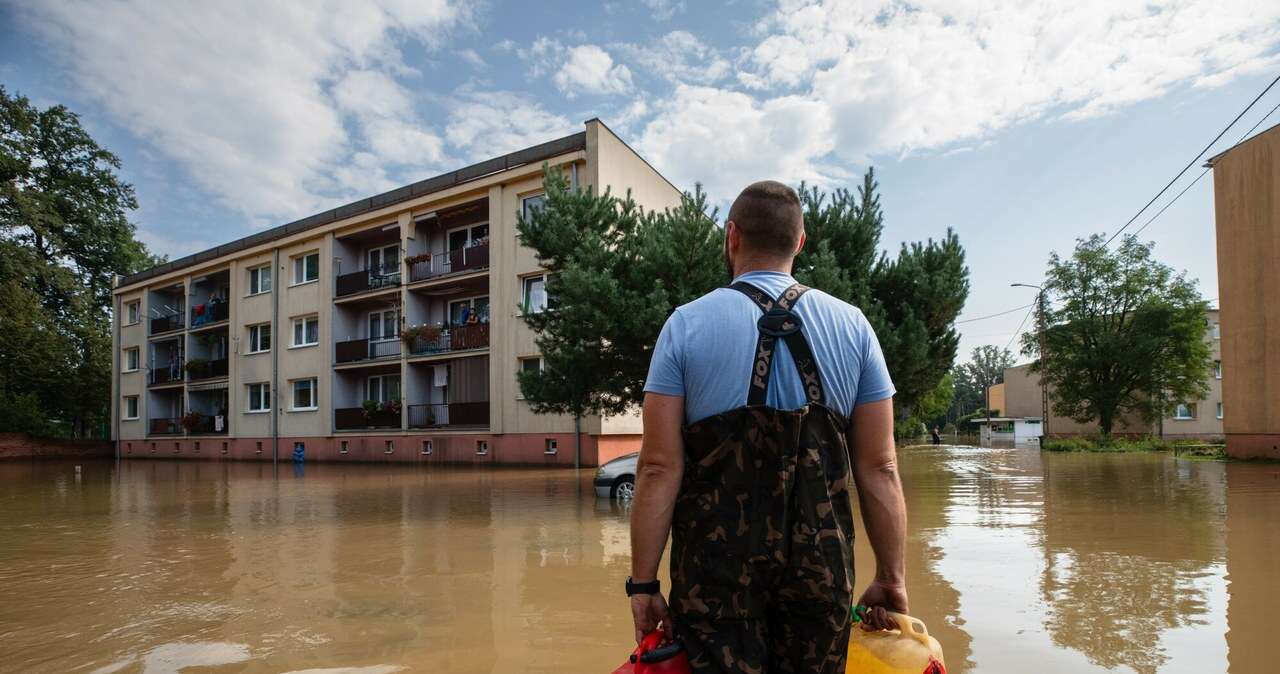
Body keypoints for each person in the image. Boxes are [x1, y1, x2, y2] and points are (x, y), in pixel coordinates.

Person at [627, 181, 909, 673]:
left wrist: (644, 584)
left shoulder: (684, 326)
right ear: (800, 242)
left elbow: (656, 468)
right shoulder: (854, 326)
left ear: (731, 236)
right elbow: (880, 467)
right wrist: (892, 576)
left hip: (714, 582)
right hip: (821, 577)